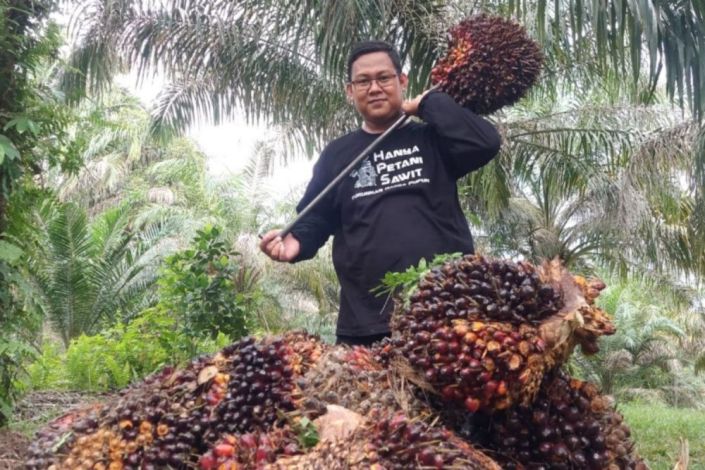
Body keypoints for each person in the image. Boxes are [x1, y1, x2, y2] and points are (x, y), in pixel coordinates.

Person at [260, 40, 501, 346]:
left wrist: (429, 105)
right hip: (367, 322)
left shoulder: (432, 139)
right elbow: (317, 217)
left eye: (384, 78)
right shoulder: (337, 154)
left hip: (449, 310)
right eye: (363, 81)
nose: (374, 88)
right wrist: (295, 242)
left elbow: (485, 142)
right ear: (350, 91)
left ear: (402, 82)